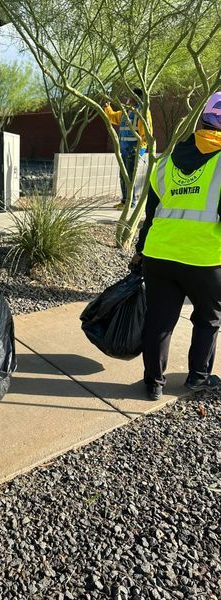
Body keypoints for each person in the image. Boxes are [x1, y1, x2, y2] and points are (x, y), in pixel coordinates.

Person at [131, 91, 221, 401]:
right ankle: (198, 377)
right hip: (205, 259)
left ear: (201, 121)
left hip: (159, 255)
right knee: (207, 319)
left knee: (159, 319)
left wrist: (140, 251)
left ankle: (153, 383)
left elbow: (151, 213)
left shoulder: (167, 162)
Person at [105, 88, 153, 210]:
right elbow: (112, 117)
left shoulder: (142, 112)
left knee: (130, 177)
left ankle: (131, 202)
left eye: (131, 96)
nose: (128, 98)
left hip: (134, 150)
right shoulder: (126, 112)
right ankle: (125, 200)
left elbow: (146, 135)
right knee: (123, 176)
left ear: (137, 97)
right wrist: (107, 107)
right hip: (124, 150)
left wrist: (140, 149)